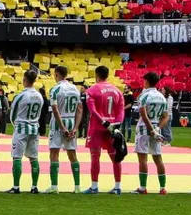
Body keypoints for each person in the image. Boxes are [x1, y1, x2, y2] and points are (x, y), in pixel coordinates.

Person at [85, 65, 128, 195]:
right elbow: (121, 110)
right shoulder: (117, 91)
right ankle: (117, 186)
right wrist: (116, 124)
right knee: (116, 157)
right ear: (107, 75)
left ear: (96, 75)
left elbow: (93, 111)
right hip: (112, 128)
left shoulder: (92, 90)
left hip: (97, 127)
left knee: (95, 157)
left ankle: (94, 186)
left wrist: (104, 122)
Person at [46, 66, 83, 194]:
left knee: (54, 154)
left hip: (58, 124)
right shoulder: (75, 89)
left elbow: (55, 110)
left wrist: (62, 128)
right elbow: (80, 109)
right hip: (71, 121)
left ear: (56, 75)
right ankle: (77, 186)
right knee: (72, 154)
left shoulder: (55, 90)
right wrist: (76, 127)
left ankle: (54, 186)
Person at [133, 72, 171, 195]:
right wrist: (157, 129)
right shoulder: (162, 97)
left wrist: (151, 130)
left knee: (143, 158)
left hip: (145, 128)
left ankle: (143, 187)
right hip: (156, 126)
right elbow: (166, 117)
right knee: (158, 158)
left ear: (147, 81)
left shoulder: (143, 96)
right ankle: (162, 187)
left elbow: (143, 115)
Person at [7, 70, 45, 193]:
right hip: (34, 127)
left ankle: (16, 187)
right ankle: (34, 186)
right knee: (33, 157)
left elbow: (12, 114)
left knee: (17, 157)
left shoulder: (21, 95)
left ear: (24, 80)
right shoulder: (39, 96)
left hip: (22, 127)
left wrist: (15, 124)